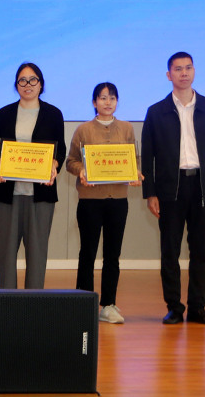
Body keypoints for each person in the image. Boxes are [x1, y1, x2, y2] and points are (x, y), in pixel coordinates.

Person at [142, 51, 205, 326]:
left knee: (200, 251)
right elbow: (147, 156)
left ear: (194, 71)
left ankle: (198, 308)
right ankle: (174, 308)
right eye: (178, 69)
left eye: (188, 68)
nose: (184, 73)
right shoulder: (156, 111)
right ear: (169, 75)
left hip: (203, 187)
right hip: (170, 189)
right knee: (169, 251)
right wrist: (150, 193)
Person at [66, 82, 140, 324]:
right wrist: (81, 171)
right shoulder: (83, 130)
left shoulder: (127, 128)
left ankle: (108, 304)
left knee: (112, 254)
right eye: (103, 98)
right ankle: (83, 303)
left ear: (117, 102)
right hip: (90, 201)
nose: (108, 102)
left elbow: (133, 159)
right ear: (94, 102)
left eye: (112, 98)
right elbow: (71, 161)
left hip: (117, 200)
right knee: (87, 252)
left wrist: (136, 173)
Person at [0, 62, 67, 289]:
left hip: (40, 197)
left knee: (37, 255)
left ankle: (33, 305)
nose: (28, 84)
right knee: (5, 255)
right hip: (7, 195)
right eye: (22, 80)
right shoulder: (4, 113)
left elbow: (59, 150)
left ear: (41, 84)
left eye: (33, 79)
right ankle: (8, 304)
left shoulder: (53, 114)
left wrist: (54, 164)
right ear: (16, 85)